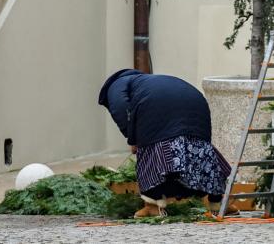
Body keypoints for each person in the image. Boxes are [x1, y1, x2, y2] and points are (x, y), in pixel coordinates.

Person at [98, 69, 232, 217]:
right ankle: (220, 204)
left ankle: (152, 206)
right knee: (201, 152)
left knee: (152, 158)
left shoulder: (115, 86)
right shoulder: (145, 81)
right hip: (195, 101)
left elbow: (120, 109)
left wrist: (133, 139)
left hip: (159, 108)